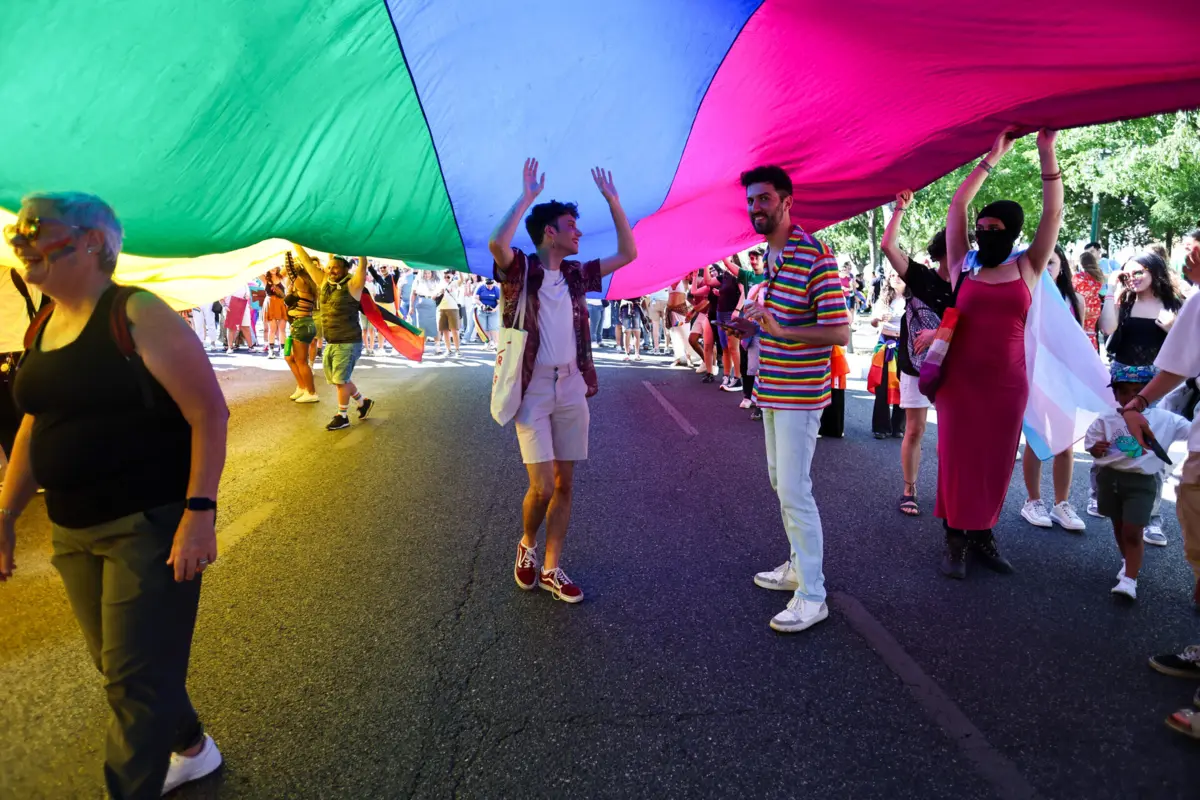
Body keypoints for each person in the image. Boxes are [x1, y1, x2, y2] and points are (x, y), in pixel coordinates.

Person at [0, 191, 229, 797]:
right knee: (121, 668)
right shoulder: (45, 320)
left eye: (37, 232)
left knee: (133, 681)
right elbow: (35, 422)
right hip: (73, 529)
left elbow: (208, 412)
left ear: (95, 242)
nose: (22, 246)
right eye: (20, 234)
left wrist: (199, 514)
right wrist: (6, 512)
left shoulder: (136, 313)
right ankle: (191, 748)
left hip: (145, 525)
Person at [488, 159, 636, 604]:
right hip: (533, 388)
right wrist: (528, 196)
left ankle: (552, 567)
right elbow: (498, 242)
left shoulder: (576, 274)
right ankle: (527, 544)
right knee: (543, 487)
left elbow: (629, 254)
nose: (578, 233)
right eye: (571, 226)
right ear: (550, 232)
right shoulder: (522, 272)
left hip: (571, 386)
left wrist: (613, 201)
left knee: (565, 484)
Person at [936, 126, 1062, 579]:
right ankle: (954, 538)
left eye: (996, 229)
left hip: (1008, 385)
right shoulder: (962, 265)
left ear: (1013, 233)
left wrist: (1046, 151)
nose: (986, 234)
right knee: (955, 457)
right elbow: (957, 206)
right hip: (958, 383)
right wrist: (993, 156)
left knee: (994, 460)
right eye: (982, 228)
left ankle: (982, 532)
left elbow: (1054, 211)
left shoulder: (1028, 265)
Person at [739, 165, 851, 633]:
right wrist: (755, 325)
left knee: (794, 490)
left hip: (801, 394)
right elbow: (781, 323)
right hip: (771, 386)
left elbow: (839, 330)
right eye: (750, 201)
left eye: (763, 199)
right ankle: (795, 567)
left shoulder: (815, 256)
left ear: (787, 201)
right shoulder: (772, 257)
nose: (755, 208)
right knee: (779, 483)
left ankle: (812, 593)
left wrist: (783, 331)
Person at [1095, 251, 1183, 544]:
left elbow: (1186, 349)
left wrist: (1172, 329)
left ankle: (1150, 517)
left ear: (1155, 272)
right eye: (1127, 274)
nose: (1131, 279)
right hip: (1121, 383)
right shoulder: (1125, 301)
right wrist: (1112, 289)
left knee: (1152, 448)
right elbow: (1107, 328)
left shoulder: (1174, 305)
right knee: (1116, 435)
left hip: (1154, 387)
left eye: (1138, 273)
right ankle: (1104, 493)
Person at [1086, 365, 1190, 600]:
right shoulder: (1106, 419)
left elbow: (1192, 432)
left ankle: (1130, 580)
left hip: (1142, 483)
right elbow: (1092, 445)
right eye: (1124, 391)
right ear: (1115, 394)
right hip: (1109, 480)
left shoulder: (1166, 419)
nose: (1130, 397)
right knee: (1118, 525)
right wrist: (1096, 449)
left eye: (1138, 391)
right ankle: (1127, 562)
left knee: (1133, 530)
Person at [881, 191, 955, 517]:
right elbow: (887, 246)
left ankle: (952, 492)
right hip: (915, 367)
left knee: (954, 435)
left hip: (955, 369)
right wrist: (899, 208)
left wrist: (939, 333)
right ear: (942, 252)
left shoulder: (971, 286)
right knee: (915, 429)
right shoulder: (920, 277)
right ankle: (908, 489)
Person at [1018, 245, 1087, 532]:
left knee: (1064, 443)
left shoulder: (1074, 300)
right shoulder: (1023, 296)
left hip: (1063, 382)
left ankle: (1062, 503)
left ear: (1062, 268)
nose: (1046, 268)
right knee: (1035, 440)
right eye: (1042, 263)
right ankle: (1033, 500)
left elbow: (1079, 343)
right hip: (1031, 380)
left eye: (1052, 263)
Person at [293, 247, 375, 431]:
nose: (332, 270)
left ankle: (342, 416)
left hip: (348, 342)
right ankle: (363, 402)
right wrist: (295, 244)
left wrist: (362, 248)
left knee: (340, 380)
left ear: (346, 269)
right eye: (329, 267)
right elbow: (306, 262)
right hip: (332, 341)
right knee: (341, 379)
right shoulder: (323, 282)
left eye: (336, 267)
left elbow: (363, 267)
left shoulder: (353, 285)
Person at [0, 265, 44, 480]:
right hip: (14, 351)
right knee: (6, 421)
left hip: (19, 351)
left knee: (26, 418)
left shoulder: (17, 264)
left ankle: (36, 471)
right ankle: (17, 475)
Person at [867, 271, 906, 439]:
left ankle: (898, 426)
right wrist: (878, 319)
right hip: (885, 345)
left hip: (903, 346)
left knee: (904, 386)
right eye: (892, 275)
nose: (896, 278)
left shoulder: (912, 299)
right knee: (882, 386)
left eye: (899, 275)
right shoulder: (883, 298)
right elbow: (873, 321)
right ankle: (880, 427)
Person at [282, 251, 319, 403]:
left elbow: (288, 268)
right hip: (302, 324)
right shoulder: (306, 284)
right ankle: (302, 387)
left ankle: (311, 392)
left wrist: (287, 250)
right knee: (289, 357)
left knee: (301, 361)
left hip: (301, 325)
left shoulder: (301, 283)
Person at [715, 257, 745, 393]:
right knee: (725, 347)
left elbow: (744, 293)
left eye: (730, 257)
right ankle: (726, 376)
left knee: (733, 347)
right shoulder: (724, 276)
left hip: (731, 314)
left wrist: (737, 310)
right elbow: (709, 282)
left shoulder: (739, 275)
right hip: (720, 314)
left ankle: (737, 378)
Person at [1074, 250, 1104, 350]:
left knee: (1079, 331)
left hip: (1081, 305)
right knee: (1091, 332)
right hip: (1095, 305)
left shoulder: (1079, 277)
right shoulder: (1098, 276)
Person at [262, 268, 288, 358]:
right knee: (272, 329)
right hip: (270, 304)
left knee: (282, 329)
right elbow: (255, 270)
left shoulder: (282, 277)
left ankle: (283, 350)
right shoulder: (265, 279)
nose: (273, 268)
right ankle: (271, 351)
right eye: (271, 266)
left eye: (275, 266)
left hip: (281, 304)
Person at [409, 270, 442, 342]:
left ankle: (438, 347)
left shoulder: (437, 280)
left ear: (432, 273)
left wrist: (437, 295)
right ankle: (422, 347)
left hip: (432, 303)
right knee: (422, 327)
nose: (427, 275)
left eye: (428, 273)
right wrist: (411, 307)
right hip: (421, 304)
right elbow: (413, 293)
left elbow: (442, 290)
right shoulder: (418, 280)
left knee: (434, 326)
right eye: (425, 273)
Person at [436, 270, 463, 357]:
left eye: (448, 277)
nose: (446, 278)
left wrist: (460, 271)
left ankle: (457, 349)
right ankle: (448, 349)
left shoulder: (454, 283)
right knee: (445, 330)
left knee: (454, 330)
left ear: (452, 276)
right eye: (445, 276)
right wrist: (440, 292)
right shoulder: (440, 283)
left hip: (453, 308)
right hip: (441, 308)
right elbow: (434, 296)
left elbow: (462, 280)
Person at [475, 275, 502, 350]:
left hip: (493, 310)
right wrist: (482, 305)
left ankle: (496, 343)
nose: (489, 286)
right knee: (484, 328)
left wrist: (494, 309)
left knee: (493, 327)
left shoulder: (496, 289)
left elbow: (499, 302)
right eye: (488, 285)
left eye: (491, 285)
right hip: (482, 310)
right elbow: (476, 299)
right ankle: (488, 343)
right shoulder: (481, 288)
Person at [618, 296, 644, 361]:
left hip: (633, 305)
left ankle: (636, 354)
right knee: (628, 331)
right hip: (627, 305)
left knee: (635, 330)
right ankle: (628, 354)